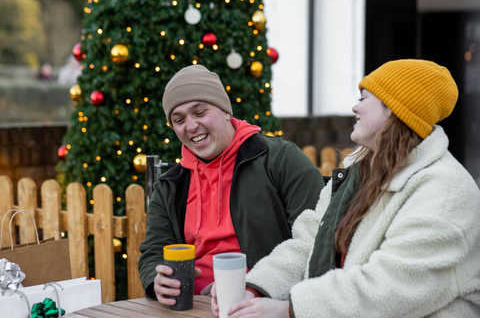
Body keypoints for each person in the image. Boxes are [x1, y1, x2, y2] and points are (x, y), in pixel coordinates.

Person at [212, 59, 480, 317]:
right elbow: (308, 243)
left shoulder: (444, 191)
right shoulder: (359, 173)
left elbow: (392, 287)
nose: (355, 108)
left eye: (364, 99)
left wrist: (292, 310)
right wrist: (255, 289)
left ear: (395, 109)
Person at [138, 64, 325, 305]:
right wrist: (156, 279)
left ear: (226, 111)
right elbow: (154, 250)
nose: (191, 126)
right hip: (190, 306)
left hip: (260, 301)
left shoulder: (279, 160)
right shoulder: (170, 185)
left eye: (200, 112)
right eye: (179, 119)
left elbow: (315, 239)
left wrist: (253, 286)